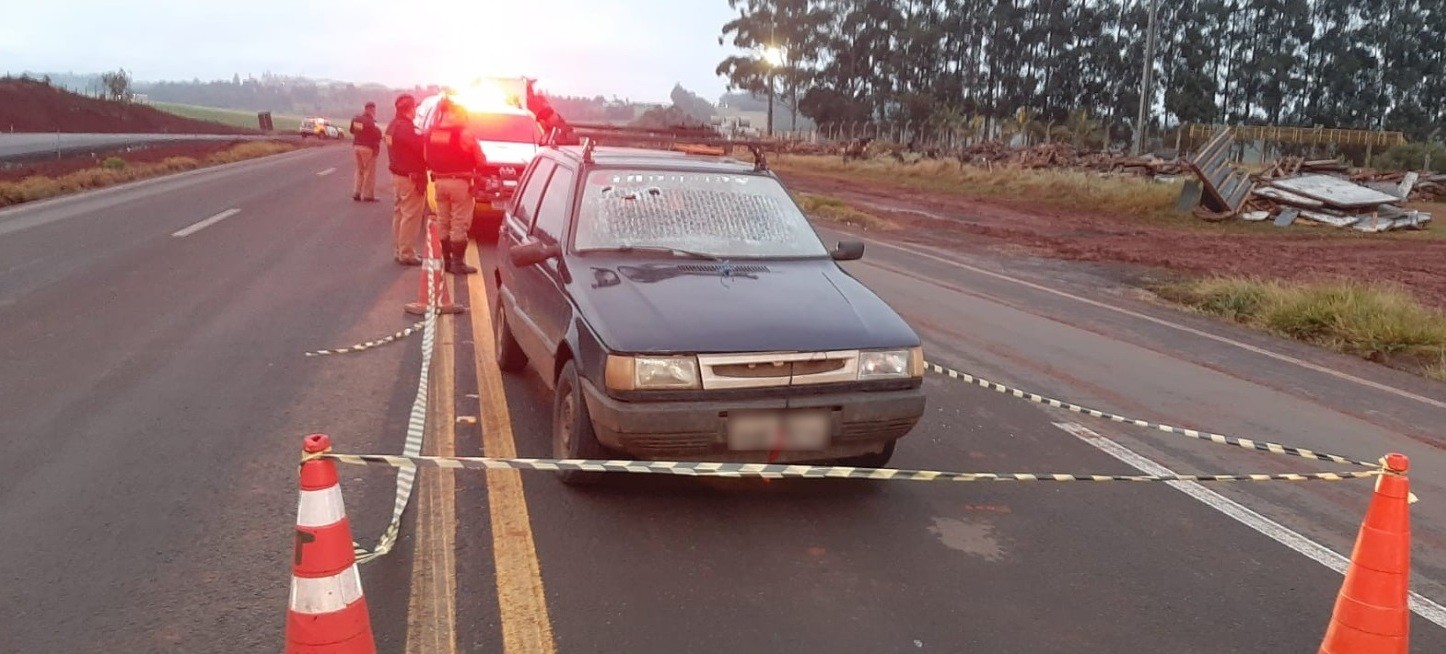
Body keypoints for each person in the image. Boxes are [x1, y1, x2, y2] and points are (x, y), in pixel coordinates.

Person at [423, 98, 486, 274]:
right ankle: (458, 263)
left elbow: (426, 157)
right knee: (459, 223)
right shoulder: (464, 133)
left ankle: (447, 260)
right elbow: (480, 159)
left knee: (443, 221)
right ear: (456, 114)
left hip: (439, 182)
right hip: (460, 182)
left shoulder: (431, 132)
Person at [385, 95, 427, 266]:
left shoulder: (391, 126)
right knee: (410, 216)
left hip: (397, 176)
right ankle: (407, 253)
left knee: (400, 214)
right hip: (411, 178)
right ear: (410, 109)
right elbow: (422, 149)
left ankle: (399, 250)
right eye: (414, 108)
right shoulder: (408, 129)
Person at [349, 102, 383, 202]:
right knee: (369, 172)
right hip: (368, 148)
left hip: (357, 146)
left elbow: (352, 131)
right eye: (374, 110)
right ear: (372, 109)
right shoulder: (371, 121)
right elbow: (377, 135)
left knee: (359, 170)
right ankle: (368, 195)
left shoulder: (357, 119)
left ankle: (357, 192)